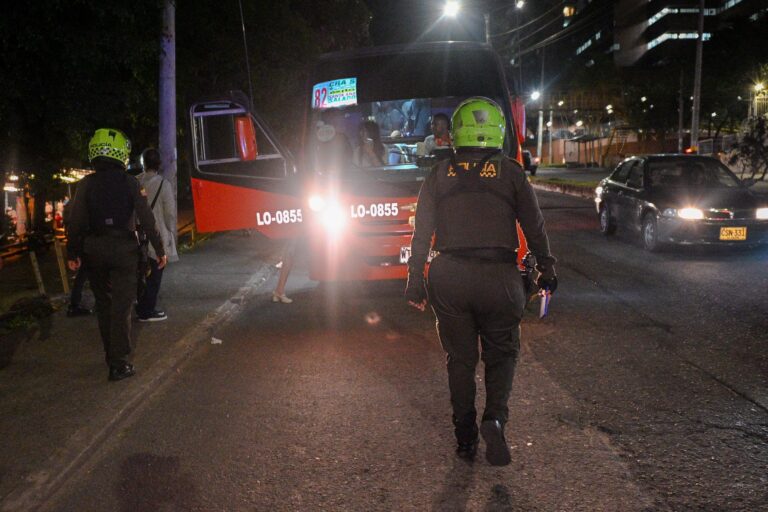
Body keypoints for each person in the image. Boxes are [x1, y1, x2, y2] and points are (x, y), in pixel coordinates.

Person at [404, 97, 557, 466]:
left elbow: (421, 232)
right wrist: (546, 269)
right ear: (498, 132)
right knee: (502, 355)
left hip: (450, 276)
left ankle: (465, 438)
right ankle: (495, 418)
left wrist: (414, 278)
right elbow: (534, 227)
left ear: (455, 133)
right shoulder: (512, 172)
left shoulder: (439, 174)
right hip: (499, 278)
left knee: (460, 360)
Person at [67, 128, 167, 382]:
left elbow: (76, 221)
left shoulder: (85, 184)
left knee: (104, 305)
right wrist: (160, 248)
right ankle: (119, 363)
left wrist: (73, 252)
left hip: (95, 250)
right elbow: (147, 219)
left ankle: (109, 355)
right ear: (121, 153)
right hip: (124, 250)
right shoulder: (131, 183)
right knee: (122, 307)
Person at [136, 148, 178, 321]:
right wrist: (170, 230)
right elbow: (169, 213)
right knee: (155, 274)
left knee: (140, 273)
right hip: (156, 235)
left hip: (137, 235)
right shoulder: (163, 184)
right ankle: (147, 311)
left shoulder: (135, 181)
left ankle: (140, 304)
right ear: (159, 164)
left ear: (144, 163)